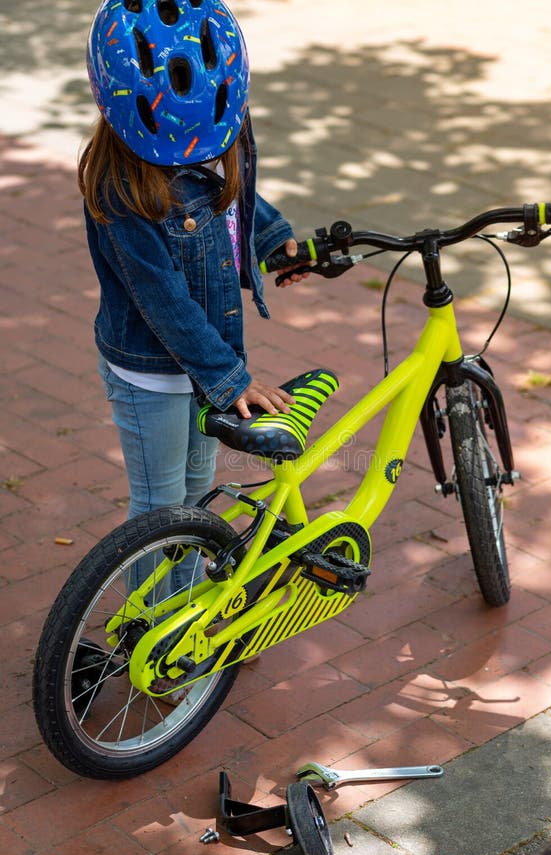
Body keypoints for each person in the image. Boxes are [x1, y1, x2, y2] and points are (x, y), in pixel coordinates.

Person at [80, 0, 307, 555]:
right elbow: (163, 302)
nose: (201, 157)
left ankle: (180, 620)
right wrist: (231, 381)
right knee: (160, 510)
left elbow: (232, 200)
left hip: (210, 365)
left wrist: (272, 237)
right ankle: (149, 635)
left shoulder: (221, 134)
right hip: (152, 373)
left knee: (195, 499)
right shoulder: (120, 187)